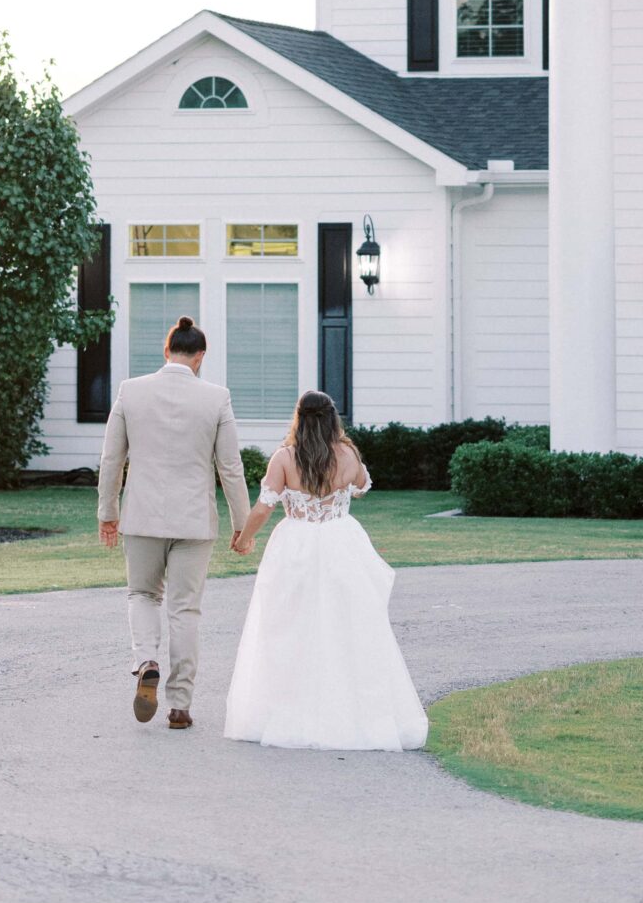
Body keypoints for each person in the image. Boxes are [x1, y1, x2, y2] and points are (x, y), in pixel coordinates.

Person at [224, 390, 427, 751]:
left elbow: (263, 507)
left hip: (297, 544)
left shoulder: (285, 458)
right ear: (333, 418)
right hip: (340, 542)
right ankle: (351, 714)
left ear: (299, 418)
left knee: (288, 626)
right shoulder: (348, 454)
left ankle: (286, 712)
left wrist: (244, 538)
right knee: (347, 625)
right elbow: (363, 486)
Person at [97, 316, 250, 731]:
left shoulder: (131, 391)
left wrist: (108, 512)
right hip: (194, 521)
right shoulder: (217, 398)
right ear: (200, 356)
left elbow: (112, 459)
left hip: (142, 517)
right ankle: (180, 704)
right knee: (185, 610)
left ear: (166, 352)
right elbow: (230, 467)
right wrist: (243, 523)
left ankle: (146, 658)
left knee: (143, 594)